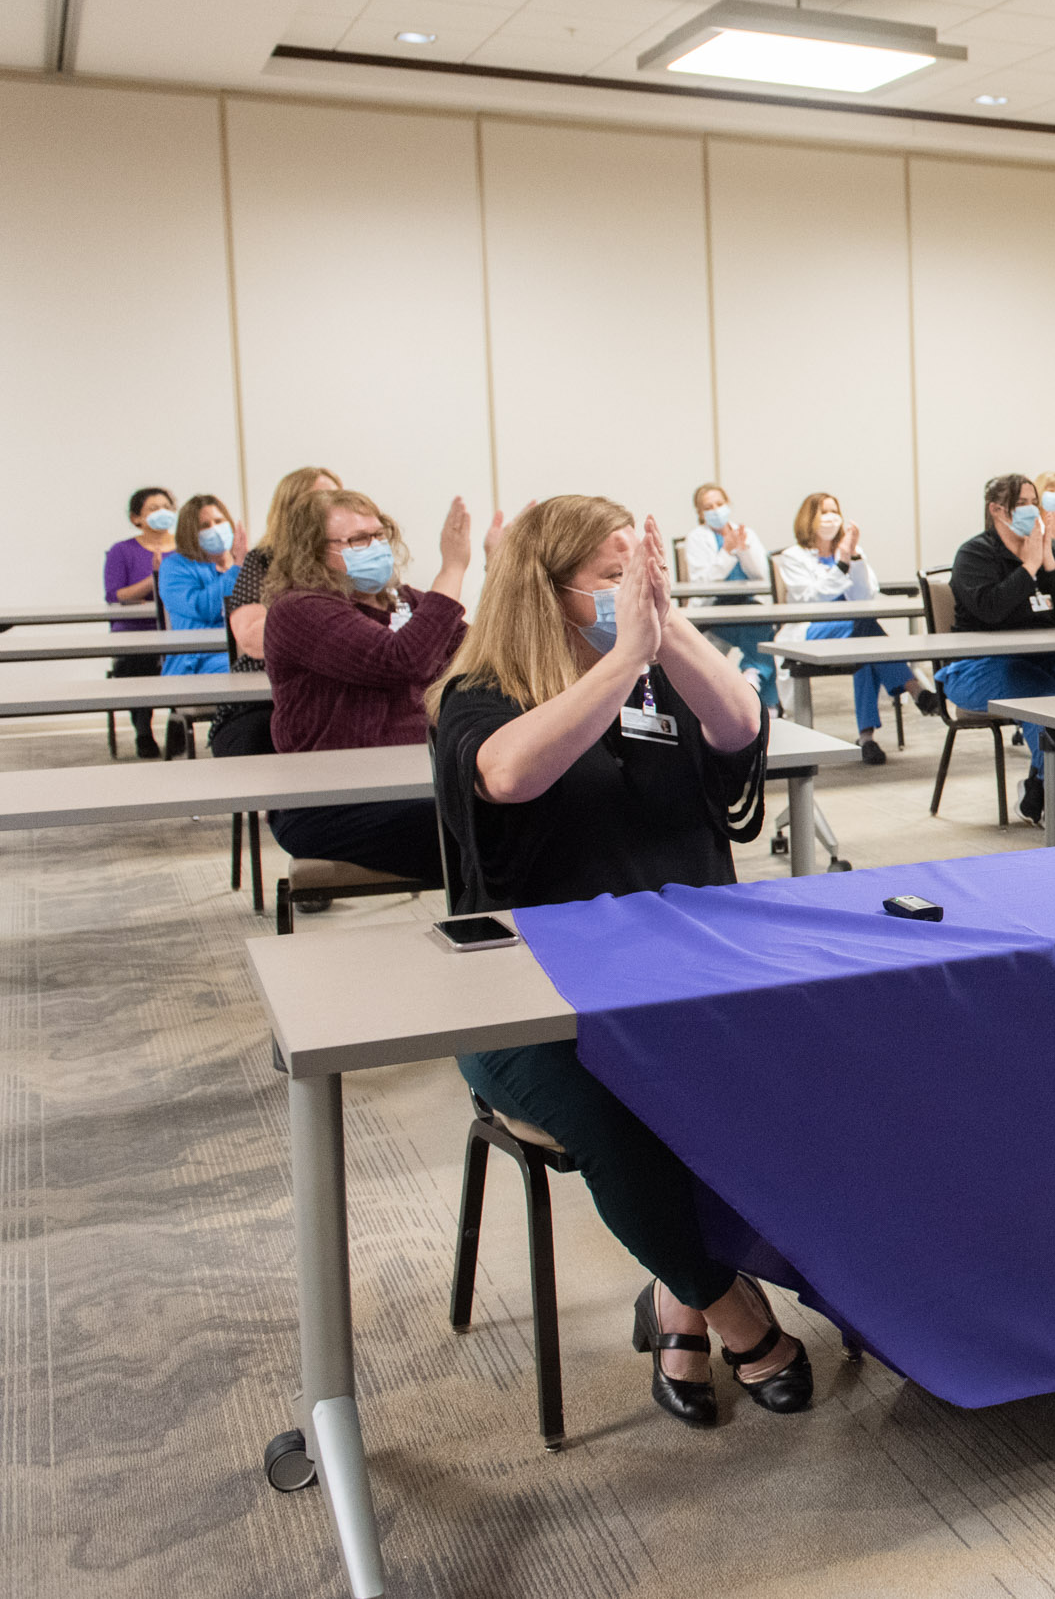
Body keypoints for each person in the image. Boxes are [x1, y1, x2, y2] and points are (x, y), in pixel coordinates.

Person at [429, 495, 808, 1430]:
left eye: (640, 575)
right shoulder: (481, 696)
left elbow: (739, 729)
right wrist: (623, 659)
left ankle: (677, 1297)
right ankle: (726, 1305)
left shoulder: (657, 674)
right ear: (547, 590)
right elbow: (509, 774)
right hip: (529, 1003)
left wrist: (664, 632)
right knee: (618, 1106)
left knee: (791, 1058)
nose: (632, 592)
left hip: (681, 976)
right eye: (611, 578)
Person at [259, 489, 480, 882]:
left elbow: (482, 652)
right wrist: (452, 569)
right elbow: (401, 660)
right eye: (359, 539)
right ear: (311, 550)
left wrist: (507, 572)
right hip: (333, 803)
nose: (376, 547)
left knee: (520, 808)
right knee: (486, 826)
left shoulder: (403, 601)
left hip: (411, 782)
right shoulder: (298, 609)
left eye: (380, 534)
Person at [936, 473, 1055, 827]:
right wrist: (1027, 568)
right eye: (1022, 504)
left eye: (1035, 502)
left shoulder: (1050, 548)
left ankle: (1038, 790)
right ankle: (1051, 798)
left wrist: (1047, 559)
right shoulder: (974, 554)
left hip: (1046, 659)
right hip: (976, 668)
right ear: (997, 510)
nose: (1032, 511)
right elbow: (991, 610)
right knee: (1045, 699)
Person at [772, 492, 925, 765]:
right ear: (809, 519)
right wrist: (841, 564)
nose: (832, 518)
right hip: (810, 632)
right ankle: (913, 687)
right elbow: (812, 598)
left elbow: (866, 596)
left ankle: (867, 740)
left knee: (866, 648)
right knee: (865, 631)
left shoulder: (851, 550)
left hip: (853, 631)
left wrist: (852, 558)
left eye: (835, 511)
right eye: (824, 512)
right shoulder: (793, 557)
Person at [218, 465, 342, 757]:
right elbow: (250, 639)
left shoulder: (351, 559)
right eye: (319, 498)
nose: (331, 506)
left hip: (336, 691)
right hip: (267, 696)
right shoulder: (262, 561)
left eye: (337, 497)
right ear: (290, 508)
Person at [685, 482, 777, 710]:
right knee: (750, 631)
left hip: (747, 607)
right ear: (700, 513)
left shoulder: (746, 533)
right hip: (713, 610)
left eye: (719, 503)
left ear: (728, 504)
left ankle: (758, 694)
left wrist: (743, 550)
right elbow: (703, 583)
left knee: (760, 626)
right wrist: (726, 552)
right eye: (709, 506)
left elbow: (761, 576)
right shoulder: (696, 538)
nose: (716, 509)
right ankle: (749, 687)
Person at [101, 486, 176, 757]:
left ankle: (178, 726)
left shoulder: (187, 549)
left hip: (176, 630)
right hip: (134, 633)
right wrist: (154, 577)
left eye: (166, 507)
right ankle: (144, 731)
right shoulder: (122, 551)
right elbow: (116, 595)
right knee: (139, 663)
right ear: (136, 518)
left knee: (188, 659)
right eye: (153, 509)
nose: (162, 513)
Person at [157, 494, 246, 676]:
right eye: (205, 526)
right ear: (190, 533)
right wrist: (237, 568)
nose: (215, 529)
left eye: (219, 521)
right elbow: (203, 608)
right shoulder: (174, 567)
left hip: (246, 649)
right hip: (198, 659)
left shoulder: (246, 562)